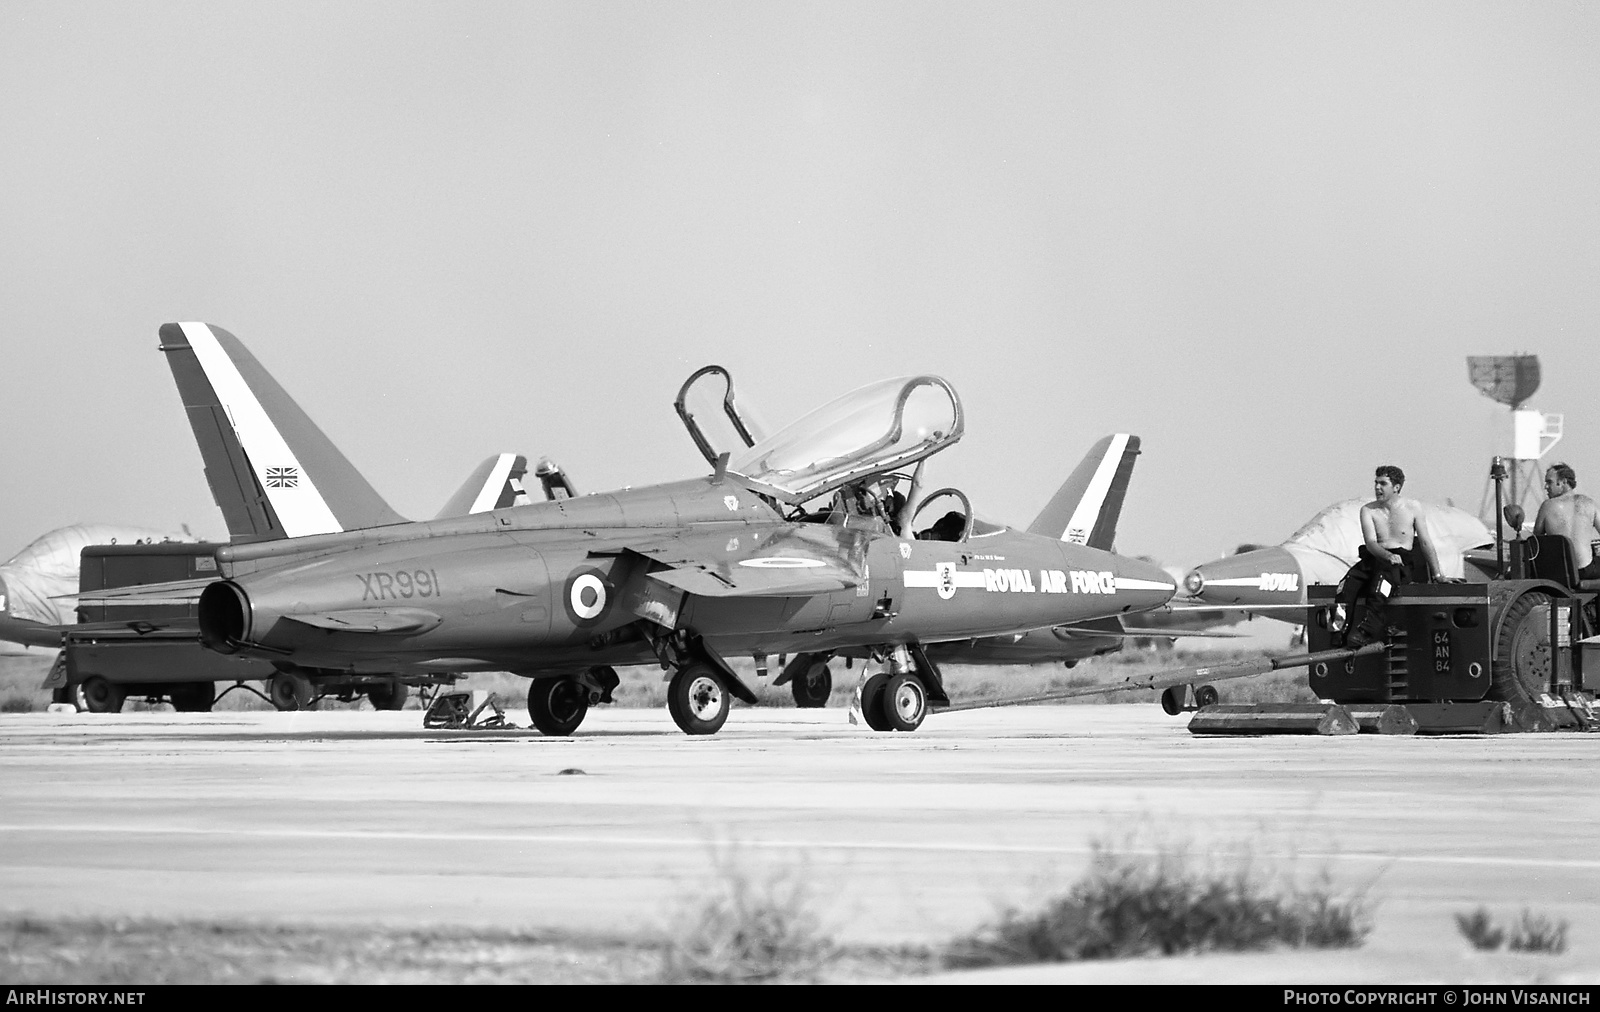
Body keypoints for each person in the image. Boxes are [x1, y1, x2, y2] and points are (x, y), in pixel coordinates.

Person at [1332, 465, 1446, 646]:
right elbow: (1371, 543)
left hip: (1399, 562)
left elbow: (1425, 543)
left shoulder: (1413, 507)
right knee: (1345, 587)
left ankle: (1366, 632)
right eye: (1376, 483)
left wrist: (1438, 575)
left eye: (1383, 484)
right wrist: (1386, 555)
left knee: (1380, 586)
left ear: (1396, 487)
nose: (1377, 488)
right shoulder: (1368, 510)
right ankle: (1339, 632)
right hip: (1376, 556)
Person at [1533, 463, 1600, 580]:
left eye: (1549, 482)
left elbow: (1535, 541)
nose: (1545, 487)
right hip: (1586, 571)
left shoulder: (1547, 506)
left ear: (1563, 482)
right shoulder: (1589, 503)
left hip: (1560, 571)